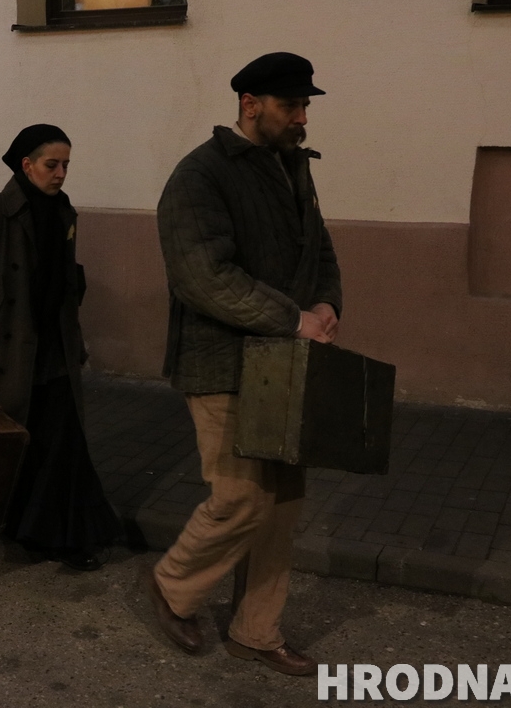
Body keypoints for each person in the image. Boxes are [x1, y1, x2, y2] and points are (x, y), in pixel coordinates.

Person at [147, 52, 342, 676]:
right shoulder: (200, 176)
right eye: (292, 105)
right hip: (222, 364)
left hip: (283, 366)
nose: (302, 117)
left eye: (305, 105)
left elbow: (322, 246)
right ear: (250, 105)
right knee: (241, 499)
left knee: (282, 503)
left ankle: (256, 632)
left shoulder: (294, 170)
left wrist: (327, 302)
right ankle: (173, 586)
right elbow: (202, 276)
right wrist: (293, 319)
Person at [0, 125, 119, 571]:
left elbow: (62, 286)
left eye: (65, 165)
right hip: (9, 353)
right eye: (51, 165)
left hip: (54, 350)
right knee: (25, 445)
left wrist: (75, 341)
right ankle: (27, 531)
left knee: (64, 445)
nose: (60, 174)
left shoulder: (63, 212)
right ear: (27, 165)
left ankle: (69, 539)